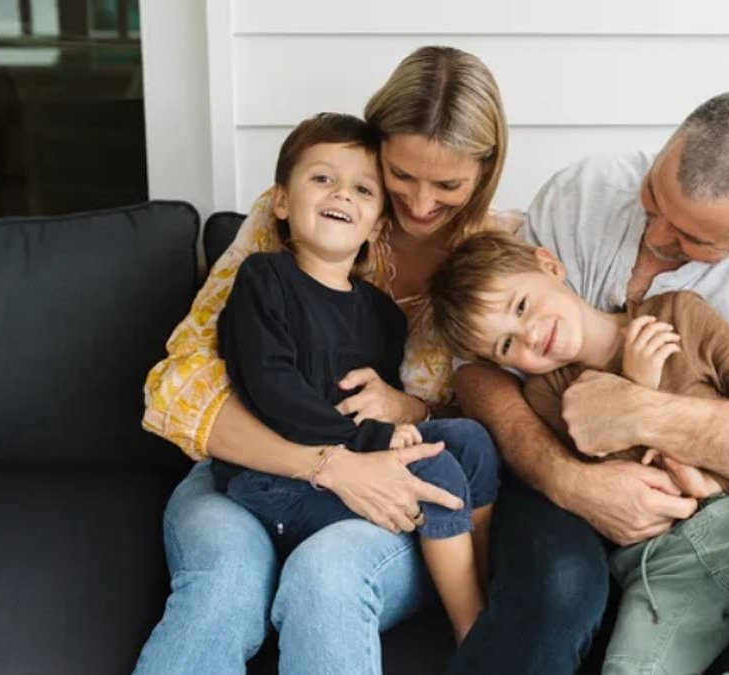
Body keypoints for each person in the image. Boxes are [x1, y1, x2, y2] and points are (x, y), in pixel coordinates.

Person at [449, 89, 729, 674]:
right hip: (634, 539)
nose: (657, 235)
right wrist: (568, 480)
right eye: (654, 199)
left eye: (693, 238)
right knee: (558, 583)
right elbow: (483, 370)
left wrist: (639, 409)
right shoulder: (585, 189)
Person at [134, 46, 517, 675]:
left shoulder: (492, 264)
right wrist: (331, 464)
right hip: (251, 468)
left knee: (327, 578)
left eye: (447, 184)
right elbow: (178, 388)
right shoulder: (290, 225)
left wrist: (410, 407)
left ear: (485, 172)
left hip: (389, 493)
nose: (420, 203)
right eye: (400, 175)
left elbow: (491, 417)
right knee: (223, 588)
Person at [212, 112, 497, 643]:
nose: (341, 195)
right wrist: (377, 442)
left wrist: (390, 431)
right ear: (280, 201)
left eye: (363, 189)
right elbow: (271, 388)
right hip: (272, 475)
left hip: (356, 456)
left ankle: (478, 581)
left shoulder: (383, 315)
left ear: (378, 222)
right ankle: (473, 632)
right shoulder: (265, 278)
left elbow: (377, 405)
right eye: (322, 179)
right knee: (436, 473)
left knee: (470, 441)